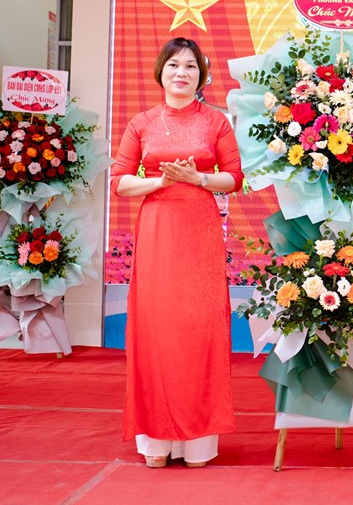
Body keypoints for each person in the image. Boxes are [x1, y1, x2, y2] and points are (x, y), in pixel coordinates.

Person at [110, 37, 243, 468]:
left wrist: (198, 179)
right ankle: (156, 441)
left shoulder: (216, 122)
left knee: (199, 327)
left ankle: (198, 441)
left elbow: (234, 178)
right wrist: (161, 182)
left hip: (199, 231)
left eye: (190, 66)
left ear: (201, 75)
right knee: (156, 328)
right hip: (158, 230)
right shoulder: (142, 122)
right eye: (173, 65)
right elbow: (120, 181)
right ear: (160, 72)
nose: (181, 73)